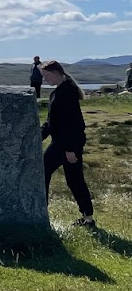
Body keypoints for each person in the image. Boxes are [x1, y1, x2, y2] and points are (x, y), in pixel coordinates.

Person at [40, 60, 95, 228]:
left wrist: (71, 150)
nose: (45, 80)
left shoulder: (68, 93)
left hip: (67, 144)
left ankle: (41, 212)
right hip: (61, 143)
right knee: (74, 179)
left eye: (47, 76)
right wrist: (36, 138)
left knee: (46, 171)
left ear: (57, 73)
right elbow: (51, 123)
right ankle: (88, 219)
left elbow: (75, 124)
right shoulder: (57, 93)